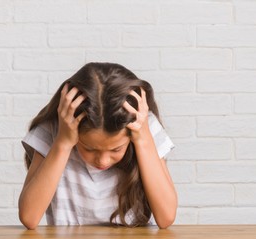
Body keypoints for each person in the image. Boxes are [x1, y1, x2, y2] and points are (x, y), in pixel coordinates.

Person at [19, 62, 177, 229]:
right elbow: (29, 217)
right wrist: (63, 143)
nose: (102, 161)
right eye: (89, 148)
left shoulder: (144, 129)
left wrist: (143, 140)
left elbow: (166, 217)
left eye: (116, 149)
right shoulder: (56, 131)